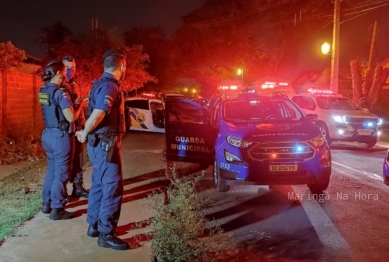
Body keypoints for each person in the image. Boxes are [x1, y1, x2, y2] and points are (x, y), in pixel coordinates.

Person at [76, 48, 129, 250]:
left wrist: (85, 133)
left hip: (98, 144)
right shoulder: (109, 87)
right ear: (122, 66)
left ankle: (94, 225)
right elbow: (98, 114)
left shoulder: (99, 84)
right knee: (112, 187)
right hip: (106, 144)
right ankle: (107, 233)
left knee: (98, 184)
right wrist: (83, 132)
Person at [39, 60, 85, 220]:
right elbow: (71, 117)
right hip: (60, 137)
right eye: (66, 71)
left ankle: (47, 203)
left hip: (47, 135)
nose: (67, 74)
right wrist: (80, 106)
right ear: (59, 73)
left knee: (51, 171)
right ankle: (57, 208)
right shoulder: (61, 93)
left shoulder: (43, 91)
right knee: (61, 174)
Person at [62, 56, 89, 198]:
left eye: (72, 68)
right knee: (65, 161)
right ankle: (61, 192)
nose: (70, 71)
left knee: (78, 158)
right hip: (65, 128)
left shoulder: (75, 84)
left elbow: (77, 107)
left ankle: (78, 186)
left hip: (77, 126)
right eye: (67, 67)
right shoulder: (59, 86)